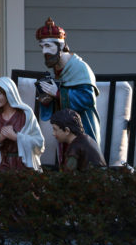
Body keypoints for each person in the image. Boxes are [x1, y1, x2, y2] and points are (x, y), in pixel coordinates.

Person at [34, 17, 101, 160]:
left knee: (82, 163)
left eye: (48, 46)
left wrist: (57, 93)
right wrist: (47, 100)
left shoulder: (80, 68)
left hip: (84, 129)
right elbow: (59, 101)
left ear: (61, 45)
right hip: (64, 132)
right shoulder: (58, 70)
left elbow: (87, 99)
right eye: (42, 47)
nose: (44, 52)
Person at [0, 77, 44, 172]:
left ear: (8, 92)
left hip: (24, 166)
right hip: (5, 166)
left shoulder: (26, 114)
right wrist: (0, 137)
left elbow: (39, 143)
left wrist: (16, 137)